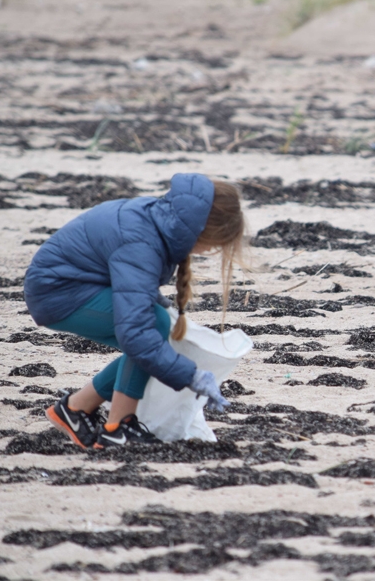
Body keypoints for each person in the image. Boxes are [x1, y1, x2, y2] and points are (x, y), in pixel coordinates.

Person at [23, 173, 243, 448]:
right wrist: (191, 376)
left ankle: (76, 409)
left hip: (69, 286)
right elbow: (137, 333)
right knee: (152, 327)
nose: (209, 249)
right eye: (213, 244)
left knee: (155, 333)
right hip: (58, 293)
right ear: (202, 231)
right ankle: (118, 428)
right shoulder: (142, 241)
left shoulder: (159, 217)